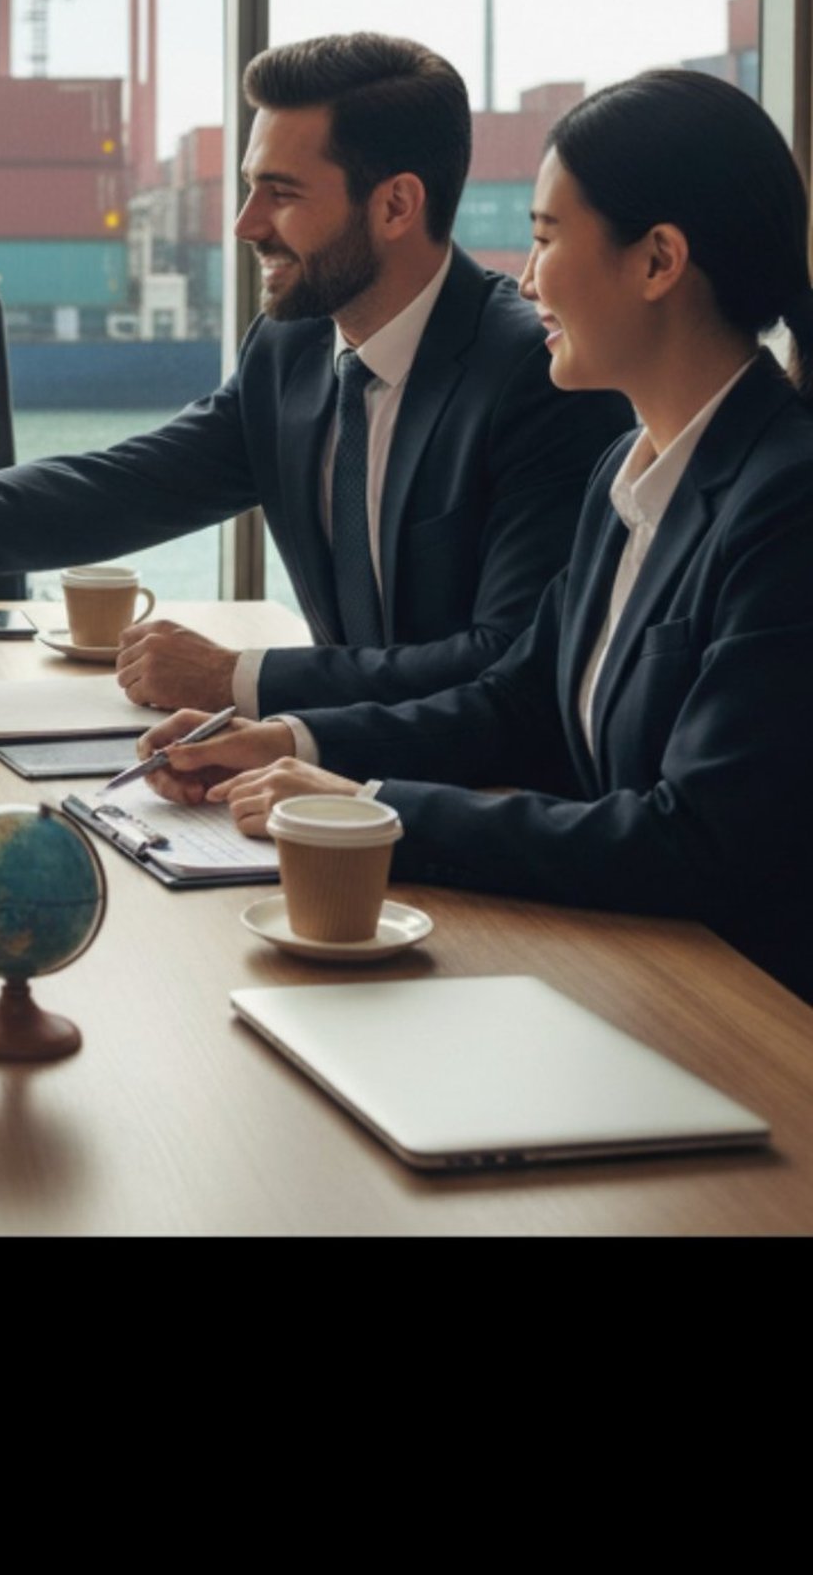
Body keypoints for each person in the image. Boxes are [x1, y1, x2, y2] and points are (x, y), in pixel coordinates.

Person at [142, 68, 813, 1004]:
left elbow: (694, 840)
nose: (526, 276)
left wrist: (377, 813)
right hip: (634, 967)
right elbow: (519, 705)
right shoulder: (626, 469)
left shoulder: (786, 503)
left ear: (658, 261)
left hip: (748, 1015)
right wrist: (292, 741)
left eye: (544, 238)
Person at [0, 34, 630, 717]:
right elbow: (116, 488)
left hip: (476, 802)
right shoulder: (289, 353)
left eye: (280, 193)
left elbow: (506, 662)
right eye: (247, 188)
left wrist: (236, 676)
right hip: (321, 775)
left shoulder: (534, 378)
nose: (244, 225)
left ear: (397, 204)